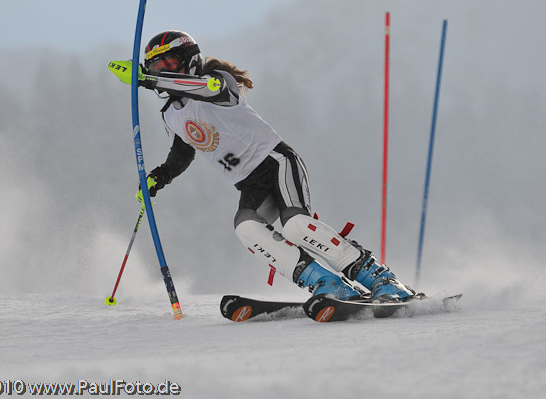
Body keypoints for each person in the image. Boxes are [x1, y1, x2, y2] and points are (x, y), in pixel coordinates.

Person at [118, 30, 416, 302]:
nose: (163, 71)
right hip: (249, 182)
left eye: (169, 63)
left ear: (189, 60)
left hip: (276, 162)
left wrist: (147, 78)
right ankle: (326, 283)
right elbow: (182, 154)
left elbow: (206, 90)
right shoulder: (172, 113)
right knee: (247, 228)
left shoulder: (216, 81)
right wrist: (159, 178)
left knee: (296, 225)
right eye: (157, 67)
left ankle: (379, 277)